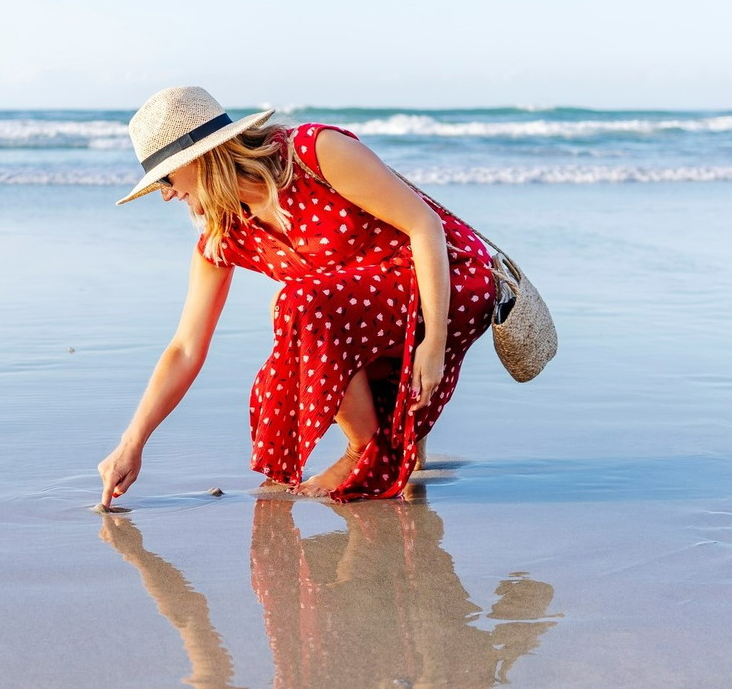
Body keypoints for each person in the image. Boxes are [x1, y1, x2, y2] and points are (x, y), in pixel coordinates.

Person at [98, 86, 496, 505]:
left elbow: (424, 226)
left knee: (297, 302)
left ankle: (365, 450)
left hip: (448, 277)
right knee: (305, 308)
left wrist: (433, 343)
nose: (165, 194)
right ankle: (400, 440)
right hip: (367, 304)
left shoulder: (314, 152)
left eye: (165, 178)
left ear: (198, 158)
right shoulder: (224, 237)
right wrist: (133, 441)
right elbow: (185, 348)